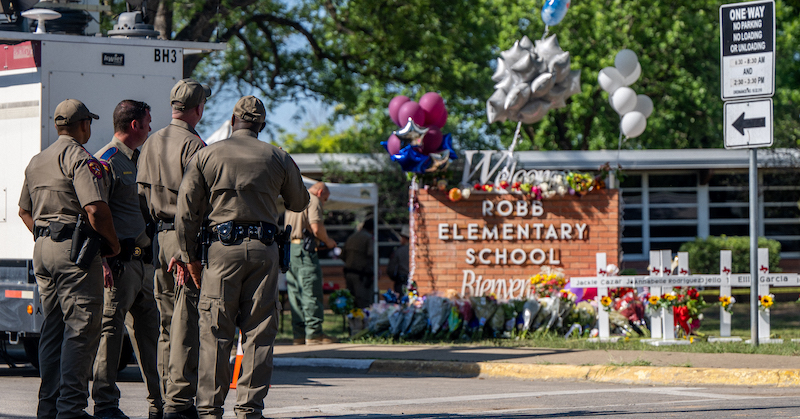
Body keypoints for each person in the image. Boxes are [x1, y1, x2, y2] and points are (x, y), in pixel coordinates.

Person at [174, 95, 309, 418]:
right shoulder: (278, 157)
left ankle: (209, 410)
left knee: (216, 332)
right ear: (261, 125)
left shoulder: (207, 155)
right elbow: (299, 202)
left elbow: (186, 213)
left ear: (233, 121)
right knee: (259, 333)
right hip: (264, 251)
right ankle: (249, 409)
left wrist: (188, 255)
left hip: (221, 251)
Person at [18, 99, 121, 419]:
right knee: (81, 328)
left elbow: (23, 211)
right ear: (83, 126)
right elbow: (95, 208)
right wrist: (112, 245)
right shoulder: (80, 158)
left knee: (53, 329)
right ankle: (72, 408)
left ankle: (48, 406)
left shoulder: (37, 160)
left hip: (43, 249)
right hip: (74, 254)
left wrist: (48, 235)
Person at [137, 78, 210, 419]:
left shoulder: (151, 142)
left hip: (158, 238)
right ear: (197, 108)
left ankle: (164, 400)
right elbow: (193, 204)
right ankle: (179, 404)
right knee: (186, 323)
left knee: (167, 324)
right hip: (184, 239)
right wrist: (187, 251)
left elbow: (138, 197)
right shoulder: (194, 145)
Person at [92, 100, 163, 419]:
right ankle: (106, 404)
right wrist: (103, 260)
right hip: (118, 266)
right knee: (110, 335)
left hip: (145, 264)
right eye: (147, 122)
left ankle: (161, 404)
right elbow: (93, 212)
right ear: (134, 125)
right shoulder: (106, 161)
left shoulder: (140, 160)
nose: (150, 127)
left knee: (152, 336)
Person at [284, 182, 338, 345]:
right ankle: (314, 333)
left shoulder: (294, 199)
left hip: (291, 249)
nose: (324, 202)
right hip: (305, 251)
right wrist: (329, 242)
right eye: (325, 199)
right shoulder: (312, 200)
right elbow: (316, 228)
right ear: (320, 192)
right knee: (310, 291)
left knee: (295, 294)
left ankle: (299, 334)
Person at [342, 218, 375, 308]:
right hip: (362, 276)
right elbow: (371, 255)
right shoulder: (368, 238)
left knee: (351, 301)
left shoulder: (352, 237)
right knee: (364, 302)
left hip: (349, 273)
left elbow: (342, 255)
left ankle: (352, 321)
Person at [387, 225, 410, 295]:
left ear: (404, 238)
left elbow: (391, 269)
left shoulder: (398, 251)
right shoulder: (416, 250)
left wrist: (394, 278)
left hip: (401, 282)